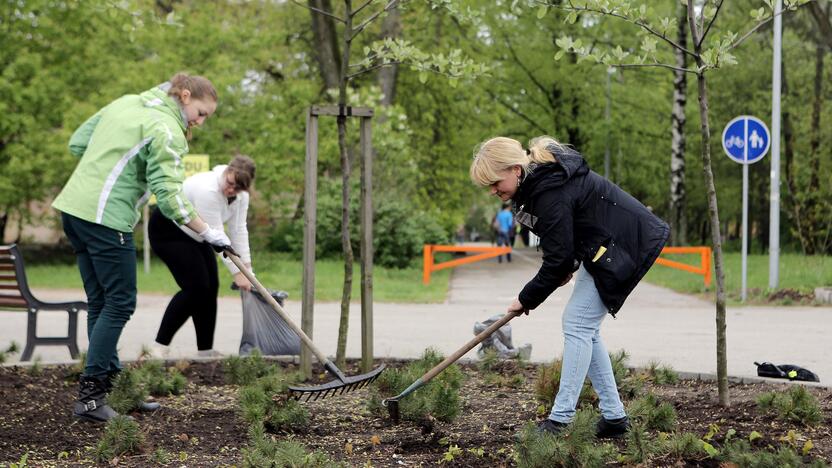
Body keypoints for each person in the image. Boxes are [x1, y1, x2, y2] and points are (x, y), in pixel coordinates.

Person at [52, 73, 231, 423]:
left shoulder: (125, 103)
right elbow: (169, 197)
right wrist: (207, 231)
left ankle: (115, 390)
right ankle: (91, 399)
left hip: (73, 210)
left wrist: (112, 164)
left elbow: (78, 143)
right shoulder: (166, 129)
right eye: (201, 112)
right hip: (106, 217)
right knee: (120, 303)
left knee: (102, 302)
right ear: (183, 96)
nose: (201, 121)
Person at [469, 136, 670, 438]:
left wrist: (525, 298)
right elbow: (574, 228)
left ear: (515, 169)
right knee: (584, 328)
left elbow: (558, 258)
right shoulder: (539, 185)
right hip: (603, 246)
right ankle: (615, 418)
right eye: (489, 186)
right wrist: (570, 263)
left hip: (625, 244)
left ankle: (560, 420)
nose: (493, 191)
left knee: (577, 324)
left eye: (495, 182)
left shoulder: (549, 190)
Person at [148, 155, 256, 358]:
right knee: (196, 287)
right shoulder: (207, 189)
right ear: (227, 172)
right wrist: (237, 272)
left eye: (238, 188)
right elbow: (217, 236)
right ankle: (159, 347)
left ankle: (205, 350)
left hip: (200, 234)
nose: (231, 190)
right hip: (169, 231)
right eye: (230, 183)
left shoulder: (241, 197)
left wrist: (248, 270)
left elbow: (239, 230)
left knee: (210, 287)